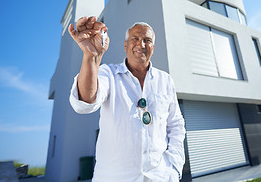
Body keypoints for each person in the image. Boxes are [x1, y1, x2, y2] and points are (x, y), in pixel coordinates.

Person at [68, 16, 186, 182]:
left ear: (153, 46)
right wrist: (91, 57)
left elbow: (175, 124)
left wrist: (175, 167)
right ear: (125, 45)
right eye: (135, 39)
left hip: (161, 177)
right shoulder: (108, 73)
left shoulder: (165, 80)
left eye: (147, 40)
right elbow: (85, 103)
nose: (141, 45)